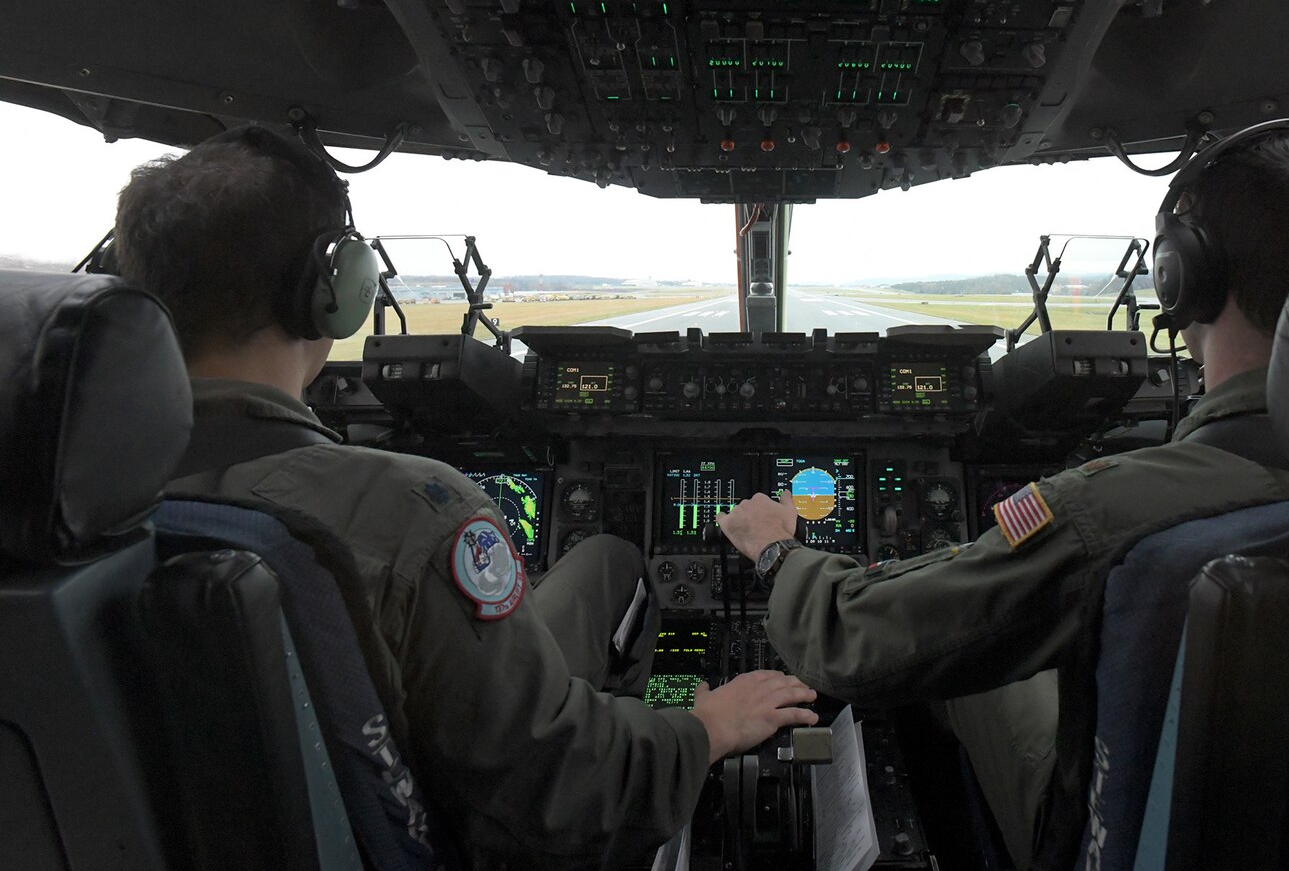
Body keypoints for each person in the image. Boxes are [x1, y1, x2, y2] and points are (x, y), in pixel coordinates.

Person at [112, 123, 819, 871]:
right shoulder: (409, 510)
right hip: (435, 835)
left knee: (600, 560)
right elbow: (558, 793)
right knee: (612, 562)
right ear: (334, 292)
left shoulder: (57, 494)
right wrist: (706, 726)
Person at [716, 123, 1289, 870]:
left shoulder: (1118, 512)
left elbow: (855, 641)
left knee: (956, 640)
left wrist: (778, 549)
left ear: (1184, 278)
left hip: (1115, 835)